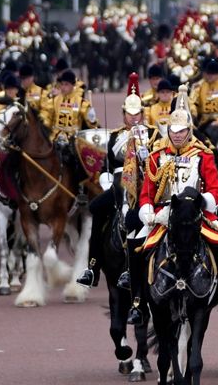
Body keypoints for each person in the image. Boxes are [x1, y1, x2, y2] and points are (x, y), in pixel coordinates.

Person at [135, 89, 218, 327]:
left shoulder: (202, 155)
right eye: (173, 132)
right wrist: (149, 213)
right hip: (163, 216)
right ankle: (138, 303)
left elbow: (216, 190)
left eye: (182, 131)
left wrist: (201, 202)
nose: (177, 136)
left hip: (195, 215)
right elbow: (147, 193)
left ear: (189, 130)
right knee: (136, 246)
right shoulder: (156, 156)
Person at [78, 74, 152, 290]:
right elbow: (106, 166)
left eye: (137, 113)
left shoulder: (153, 135)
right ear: (123, 115)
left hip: (145, 183)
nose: (134, 118)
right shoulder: (115, 137)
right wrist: (106, 181)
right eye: (129, 114)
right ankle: (93, 267)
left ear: (142, 114)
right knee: (96, 208)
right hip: (120, 182)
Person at [189, 56, 218, 149]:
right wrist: (193, 114)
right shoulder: (199, 87)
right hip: (204, 123)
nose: (210, 75)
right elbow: (192, 102)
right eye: (208, 73)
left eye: (213, 73)